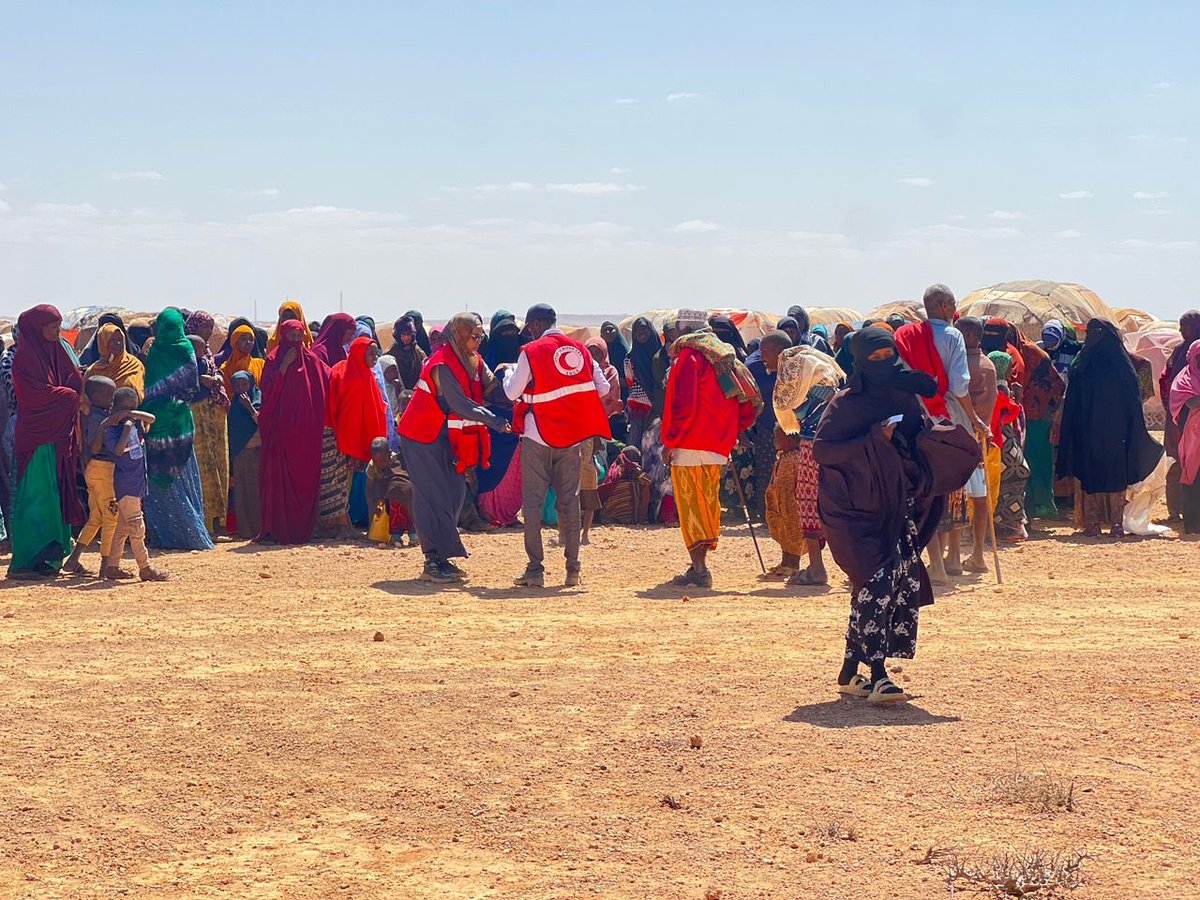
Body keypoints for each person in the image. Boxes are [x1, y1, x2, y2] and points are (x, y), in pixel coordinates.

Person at [815, 327, 978, 703]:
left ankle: (849, 673)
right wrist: (873, 439)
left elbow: (917, 436)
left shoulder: (906, 395)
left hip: (896, 507)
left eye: (888, 355)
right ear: (858, 361)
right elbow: (824, 451)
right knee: (876, 581)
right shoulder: (845, 404)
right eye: (874, 358)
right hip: (854, 512)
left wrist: (940, 442)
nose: (883, 364)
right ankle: (878, 675)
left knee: (886, 585)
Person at [503, 303, 612, 588]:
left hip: (537, 436)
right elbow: (603, 388)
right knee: (569, 502)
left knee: (534, 504)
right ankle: (572, 570)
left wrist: (507, 373)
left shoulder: (532, 352)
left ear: (536, 325)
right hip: (572, 438)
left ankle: (536, 569)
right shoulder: (580, 351)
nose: (529, 333)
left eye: (529, 328)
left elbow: (512, 392)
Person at [399, 313, 511, 583]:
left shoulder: (473, 360)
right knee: (431, 495)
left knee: (454, 492)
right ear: (460, 335)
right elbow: (460, 403)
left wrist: (519, 392)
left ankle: (443, 553)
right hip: (421, 434)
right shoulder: (442, 364)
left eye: (480, 336)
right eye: (474, 336)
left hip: (445, 435)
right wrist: (494, 420)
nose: (479, 341)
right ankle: (432, 560)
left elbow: (492, 389)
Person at [894, 285, 990, 584]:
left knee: (927, 488)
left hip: (918, 419)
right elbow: (960, 385)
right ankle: (953, 559)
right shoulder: (952, 336)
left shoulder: (906, 337)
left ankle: (935, 561)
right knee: (959, 483)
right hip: (951, 418)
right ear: (946, 306)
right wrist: (974, 419)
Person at [662, 310, 761, 588]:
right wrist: (735, 428)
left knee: (691, 504)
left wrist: (670, 441)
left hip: (690, 441)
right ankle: (699, 564)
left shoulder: (689, 358)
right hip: (718, 441)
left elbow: (683, 405)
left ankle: (700, 568)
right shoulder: (724, 355)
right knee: (707, 502)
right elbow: (745, 398)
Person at [1056, 319, 1163, 537]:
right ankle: (1108, 524)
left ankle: (1103, 524)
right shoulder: (1116, 364)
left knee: (1095, 475)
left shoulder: (1085, 361)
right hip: (1110, 431)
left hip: (1095, 430)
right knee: (1106, 475)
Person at [7, 305, 85, 579]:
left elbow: (75, 381)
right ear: (36, 327)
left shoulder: (55, 352)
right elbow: (35, 397)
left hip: (57, 439)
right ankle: (26, 561)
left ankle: (49, 557)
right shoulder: (24, 359)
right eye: (52, 326)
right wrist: (69, 396)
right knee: (36, 497)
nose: (57, 330)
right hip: (36, 438)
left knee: (55, 494)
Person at [766, 343, 842, 586]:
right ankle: (851, 568)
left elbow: (792, 410)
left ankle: (817, 569)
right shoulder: (832, 387)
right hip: (838, 446)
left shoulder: (810, 389)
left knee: (809, 503)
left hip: (813, 446)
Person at [140, 308, 214, 550]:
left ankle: (171, 534)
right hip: (179, 420)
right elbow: (191, 386)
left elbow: (151, 388)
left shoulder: (156, 352)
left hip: (157, 421)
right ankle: (185, 533)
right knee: (179, 474)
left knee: (164, 475)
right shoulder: (185, 349)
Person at [257, 319, 328, 544]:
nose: (296, 341)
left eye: (299, 336)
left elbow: (322, 393)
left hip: (307, 436)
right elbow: (266, 393)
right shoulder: (272, 360)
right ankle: (277, 530)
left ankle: (304, 528)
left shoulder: (312, 361)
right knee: (278, 482)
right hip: (281, 434)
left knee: (305, 481)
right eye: (291, 337)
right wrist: (283, 368)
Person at [100, 387, 169, 581]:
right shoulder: (112, 430)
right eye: (123, 408)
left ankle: (112, 567)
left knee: (123, 528)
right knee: (137, 527)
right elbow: (118, 450)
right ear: (115, 408)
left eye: (132, 408)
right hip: (126, 484)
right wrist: (127, 428)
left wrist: (129, 415)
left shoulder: (136, 421)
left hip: (137, 483)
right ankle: (145, 567)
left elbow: (152, 419)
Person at [322, 336, 388, 536]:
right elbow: (348, 416)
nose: (375, 357)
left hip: (345, 436)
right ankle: (341, 524)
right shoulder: (350, 376)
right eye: (370, 353)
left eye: (376, 353)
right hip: (337, 435)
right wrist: (351, 447)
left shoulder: (362, 373)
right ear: (359, 353)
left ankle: (339, 522)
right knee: (336, 480)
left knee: (342, 480)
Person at [63, 377, 120, 575]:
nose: (112, 399)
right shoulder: (100, 418)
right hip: (104, 469)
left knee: (96, 517)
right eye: (109, 395)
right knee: (112, 515)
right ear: (96, 396)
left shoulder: (93, 414)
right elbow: (95, 446)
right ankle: (106, 565)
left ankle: (73, 560)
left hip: (93, 471)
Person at [185, 311, 232, 538]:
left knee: (219, 468)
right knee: (202, 471)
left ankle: (217, 521)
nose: (207, 332)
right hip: (196, 416)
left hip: (214, 416)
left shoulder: (207, 354)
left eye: (210, 328)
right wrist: (200, 379)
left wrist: (218, 378)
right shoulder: (185, 355)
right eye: (203, 327)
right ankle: (203, 522)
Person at [958, 317, 999, 572]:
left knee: (958, 494)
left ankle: (954, 555)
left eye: (961, 333)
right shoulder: (989, 364)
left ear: (972, 336)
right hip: (981, 436)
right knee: (980, 495)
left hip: (962, 435)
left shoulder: (964, 365)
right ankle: (978, 554)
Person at [746, 331, 792, 518]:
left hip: (793, 431)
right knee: (766, 470)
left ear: (780, 351)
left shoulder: (799, 372)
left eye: (765, 352)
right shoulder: (757, 368)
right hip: (767, 427)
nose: (761, 356)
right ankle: (767, 512)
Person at [1161, 310, 1200, 520]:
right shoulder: (1178, 352)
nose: (1180, 330)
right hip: (1179, 417)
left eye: (1183, 326)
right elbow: (1166, 380)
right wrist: (1174, 405)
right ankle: (1175, 510)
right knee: (1177, 461)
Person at [988, 352, 1030, 541]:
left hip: (1000, 441)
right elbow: (1009, 415)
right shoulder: (999, 390)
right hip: (1002, 441)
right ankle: (1010, 526)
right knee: (1017, 472)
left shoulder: (990, 387)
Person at [1169, 341, 1200, 533]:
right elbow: (1190, 403)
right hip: (1193, 436)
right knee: (1194, 477)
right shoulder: (1185, 379)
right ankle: (1193, 524)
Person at [227, 370, 262, 540]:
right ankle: (246, 531)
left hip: (258, 451)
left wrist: (250, 409)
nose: (242, 389)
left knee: (257, 492)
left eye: (245, 384)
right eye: (237, 385)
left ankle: (260, 529)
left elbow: (263, 423)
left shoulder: (258, 400)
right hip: (240, 455)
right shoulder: (233, 407)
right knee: (242, 493)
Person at [365, 436, 416, 543]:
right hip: (386, 494)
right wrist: (373, 506)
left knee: (409, 513)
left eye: (382, 461)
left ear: (389, 454)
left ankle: (413, 534)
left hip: (401, 492)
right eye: (376, 461)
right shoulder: (372, 466)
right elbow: (369, 488)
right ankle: (395, 535)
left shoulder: (397, 461)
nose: (379, 463)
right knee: (392, 513)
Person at [625, 317, 662, 448]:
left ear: (650, 330)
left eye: (644, 329)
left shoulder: (663, 355)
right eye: (637, 330)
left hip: (661, 408)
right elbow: (631, 383)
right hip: (639, 410)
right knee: (637, 448)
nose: (641, 332)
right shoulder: (630, 358)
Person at [85, 322, 146, 400]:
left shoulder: (134, 365)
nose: (118, 343)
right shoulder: (93, 370)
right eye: (113, 340)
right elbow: (85, 399)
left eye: (120, 340)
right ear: (103, 342)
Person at [388, 316, 427, 390]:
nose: (406, 337)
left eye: (409, 334)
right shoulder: (391, 353)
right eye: (403, 334)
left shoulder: (419, 353)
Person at [600, 321, 630, 403]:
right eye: (604, 331)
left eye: (610, 329)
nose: (608, 332)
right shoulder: (599, 352)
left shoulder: (624, 350)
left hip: (625, 390)